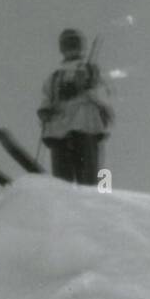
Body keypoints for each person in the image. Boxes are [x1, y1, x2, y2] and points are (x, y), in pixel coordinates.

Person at [38, 28, 113, 185]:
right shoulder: (55, 76)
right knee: (61, 178)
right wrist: (44, 110)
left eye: (74, 43)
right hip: (59, 132)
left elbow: (104, 94)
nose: (71, 47)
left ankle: (93, 198)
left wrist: (84, 87)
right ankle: (63, 199)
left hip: (85, 128)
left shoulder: (91, 70)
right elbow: (47, 97)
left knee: (88, 175)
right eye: (67, 43)